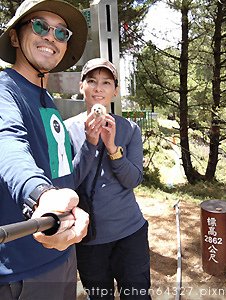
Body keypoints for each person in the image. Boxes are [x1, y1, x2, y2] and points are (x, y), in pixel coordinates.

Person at [0, 0, 94, 299]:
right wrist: (40, 194)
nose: (51, 37)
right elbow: (7, 143)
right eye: (40, 25)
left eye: (62, 33)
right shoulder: (4, 90)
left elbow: (63, 174)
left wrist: (91, 143)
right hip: (22, 269)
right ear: (15, 37)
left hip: (63, 253)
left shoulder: (48, 102)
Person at [65, 58, 152, 300]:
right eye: (91, 81)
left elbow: (133, 179)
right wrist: (90, 144)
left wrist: (112, 147)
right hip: (89, 238)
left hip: (130, 232)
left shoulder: (130, 129)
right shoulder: (66, 130)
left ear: (115, 90)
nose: (98, 88)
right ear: (82, 87)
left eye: (106, 82)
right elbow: (67, 184)